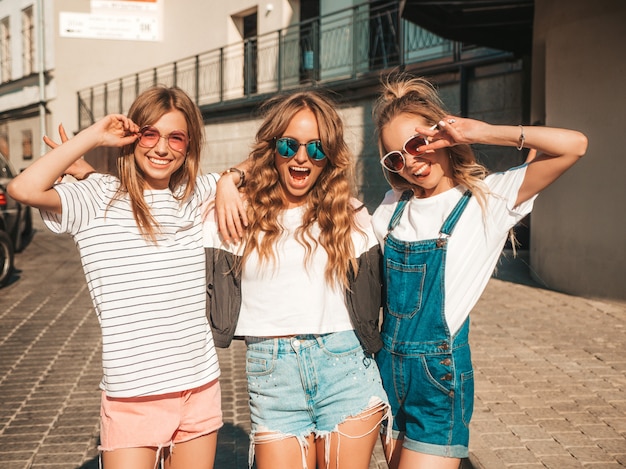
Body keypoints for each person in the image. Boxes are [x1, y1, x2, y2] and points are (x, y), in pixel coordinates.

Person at [7, 86, 244, 469]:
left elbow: (261, 162)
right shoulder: (95, 196)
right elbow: (23, 188)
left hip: (198, 387)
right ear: (132, 137)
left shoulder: (195, 192)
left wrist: (229, 178)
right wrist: (94, 136)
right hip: (132, 397)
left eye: (175, 137)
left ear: (189, 146)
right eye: (150, 134)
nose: (162, 148)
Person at [370, 75, 588, 469]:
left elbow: (575, 145)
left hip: (438, 378)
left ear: (442, 138)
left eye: (418, 145)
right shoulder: (391, 207)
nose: (412, 163)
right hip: (387, 371)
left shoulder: (489, 199)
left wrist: (484, 132)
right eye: (396, 158)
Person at [205, 89, 390, 469]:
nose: (302, 157)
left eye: (317, 148)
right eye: (289, 145)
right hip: (273, 378)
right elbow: (163, 198)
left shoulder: (351, 215)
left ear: (329, 157)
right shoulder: (237, 212)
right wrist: (228, 179)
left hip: (345, 369)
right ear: (272, 148)